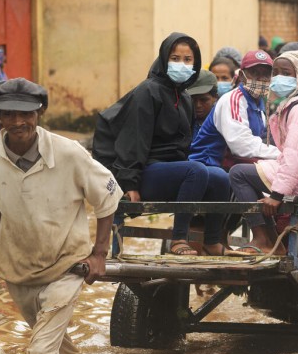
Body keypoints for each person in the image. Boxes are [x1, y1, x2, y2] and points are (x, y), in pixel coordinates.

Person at [0, 78, 122, 354]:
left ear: (39, 113)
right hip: (19, 267)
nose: (17, 122)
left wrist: (99, 254)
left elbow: (108, 197)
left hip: (67, 265)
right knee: (53, 338)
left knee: (41, 349)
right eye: (8, 114)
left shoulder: (68, 153)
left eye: (25, 114)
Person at [93, 32, 230, 256]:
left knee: (220, 177)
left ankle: (212, 240)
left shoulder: (184, 97)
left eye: (187, 60)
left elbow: (183, 147)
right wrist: (130, 183)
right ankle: (179, 239)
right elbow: (133, 140)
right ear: (164, 59)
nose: (182, 64)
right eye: (175, 59)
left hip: (170, 171)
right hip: (145, 172)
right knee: (195, 171)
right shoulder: (148, 91)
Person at [229, 51, 298, 253]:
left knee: (238, 173)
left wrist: (277, 195)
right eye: (275, 72)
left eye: (286, 73)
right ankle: (271, 240)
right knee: (247, 170)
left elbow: (295, 158)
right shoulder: (294, 103)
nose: (278, 78)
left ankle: (264, 238)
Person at [189, 50, 279, 169]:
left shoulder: (259, 104)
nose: (261, 78)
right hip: (208, 165)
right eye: (255, 72)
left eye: (266, 74)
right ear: (242, 76)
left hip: (231, 164)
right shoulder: (233, 99)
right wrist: (280, 154)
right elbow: (241, 146)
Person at [186, 70, 219, 140]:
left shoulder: (222, 122)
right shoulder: (183, 121)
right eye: (193, 100)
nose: (198, 105)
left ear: (215, 97)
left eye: (204, 100)